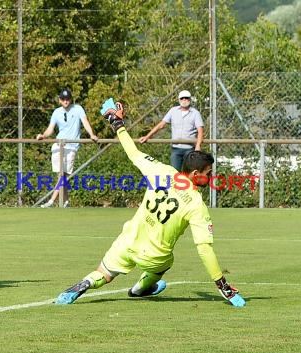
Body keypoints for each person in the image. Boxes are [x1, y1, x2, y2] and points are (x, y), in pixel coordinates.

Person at [55, 98, 246, 307]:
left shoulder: (160, 172)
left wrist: (118, 125)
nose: (210, 177)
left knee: (103, 274)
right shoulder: (196, 204)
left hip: (127, 242)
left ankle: (84, 284)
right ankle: (141, 289)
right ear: (194, 174)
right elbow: (204, 249)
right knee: (166, 262)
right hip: (154, 256)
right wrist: (223, 285)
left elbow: (133, 152)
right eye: (208, 173)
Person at [36, 89, 98, 208]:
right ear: (59, 100)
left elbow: (85, 122)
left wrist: (92, 134)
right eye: (63, 99)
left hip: (71, 146)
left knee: (63, 175)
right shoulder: (56, 112)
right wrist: (43, 135)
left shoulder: (78, 109)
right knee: (61, 175)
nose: (66, 101)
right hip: (59, 144)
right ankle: (65, 201)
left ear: (71, 99)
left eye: (68, 99)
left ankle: (52, 201)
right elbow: (50, 128)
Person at [139, 90, 204, 171]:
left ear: (190, 100)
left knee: (188, 174)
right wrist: (147, 136)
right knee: (175, 173)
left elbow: (200, 131)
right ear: (179, 100)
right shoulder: (173, 111)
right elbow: (161, 125)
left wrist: (198, 146)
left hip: (189, 149)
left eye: (186, 98)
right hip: (175, 149)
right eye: (182, 98)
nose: (184, 100)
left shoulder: (195, 113)